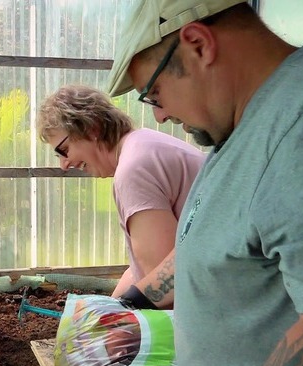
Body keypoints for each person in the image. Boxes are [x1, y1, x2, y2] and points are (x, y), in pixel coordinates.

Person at [106, 0, 303, 366]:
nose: (159, 116)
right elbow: (208, 244)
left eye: (154, 93)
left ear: (198, 45)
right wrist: (128, 305)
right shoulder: (242, 119)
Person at [36, 84, 205, 306]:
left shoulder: (133, 170)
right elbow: (146, 270)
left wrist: (117, 320)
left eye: (63, 150)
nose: (64, 164)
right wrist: (108, 311)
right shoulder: (144, 144)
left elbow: (166, 286)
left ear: (92, 128)